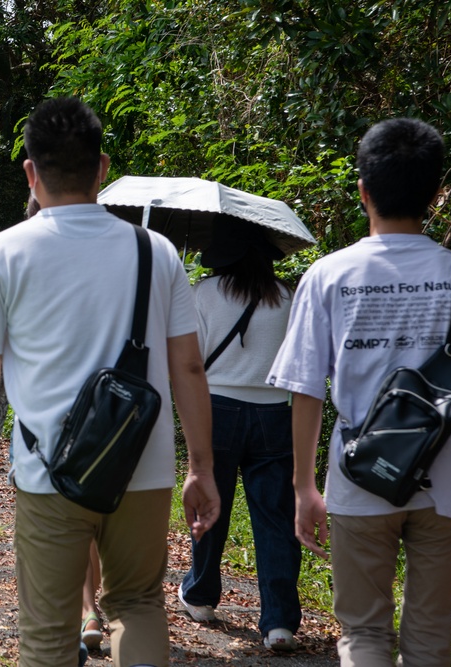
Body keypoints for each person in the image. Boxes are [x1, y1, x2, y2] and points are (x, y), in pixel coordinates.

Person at [0, 97, 220, 667]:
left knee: (47, 634)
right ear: (102, 167)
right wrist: (201, 466)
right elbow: (189, 368)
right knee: (139, 603)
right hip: (142, 467)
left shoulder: (3, 253)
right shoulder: (156, 252)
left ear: (30, 170)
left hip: (49, 471)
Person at [267, 118, 451, 666]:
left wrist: (302, 487)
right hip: (449, 486)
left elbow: (305, 390)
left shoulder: (328, 275)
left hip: (360, 477)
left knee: (364, 635)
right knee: (430, 643)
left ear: (363, 190)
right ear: (436, 194)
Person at [178, 217, 301, 651]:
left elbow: (191, 359)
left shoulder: (206, 293)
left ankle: (201, 595)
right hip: (274, 412)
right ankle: (280, 622)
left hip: (217, 410)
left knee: (212, 505)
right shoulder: (288, 296)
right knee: (275, 518)